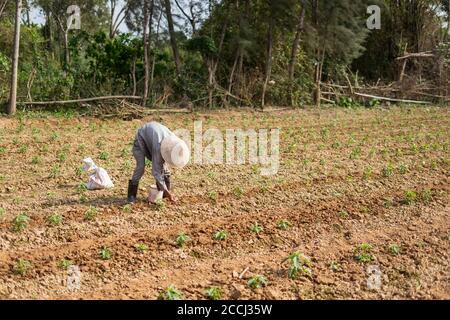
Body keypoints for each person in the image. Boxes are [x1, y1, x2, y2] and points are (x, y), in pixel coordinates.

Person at [127, 121, 190, 204]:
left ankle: (164, 193)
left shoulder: (174, 142)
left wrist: (166, 190)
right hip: (141, 139)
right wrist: (167, 192)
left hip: (154, 135)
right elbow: (156, 171)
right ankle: (131, 195)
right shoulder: (158, 147)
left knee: (165, 168)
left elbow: (163, 164)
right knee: (140, 167)